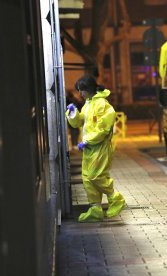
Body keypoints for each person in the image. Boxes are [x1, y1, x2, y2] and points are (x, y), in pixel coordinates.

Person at [66, 75, 125, 222]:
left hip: (100, 147)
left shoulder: (102, 105)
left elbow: (103, 128)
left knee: (95, 176)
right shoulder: (88, 104)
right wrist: (73, 114)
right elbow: (79, 122)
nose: (80, 94)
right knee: (87, 178)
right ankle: (95, 208)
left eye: (81, 90)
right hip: (90, 149)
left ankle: (114, 198)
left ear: (88, 89)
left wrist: (87, 140)